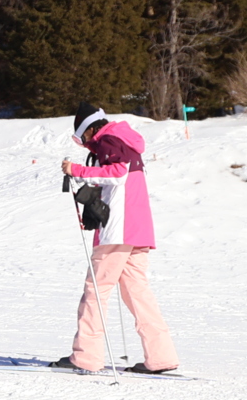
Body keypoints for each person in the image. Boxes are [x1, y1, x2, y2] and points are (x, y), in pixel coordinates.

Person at [55, 106, 179, 374]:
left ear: (90, 128)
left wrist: (76, 170)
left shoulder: (109, 140)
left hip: (118, 230)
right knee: (138, 293)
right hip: (139, 228)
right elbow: (121, 179)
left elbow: (118, 173)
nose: (87, 146)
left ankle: (86, 357)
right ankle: (161, 357)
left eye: (85, 140)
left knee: (96, 290)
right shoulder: (125, 140)